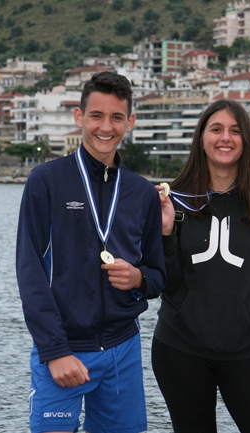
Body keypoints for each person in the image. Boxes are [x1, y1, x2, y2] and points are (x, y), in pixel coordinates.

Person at [16, 71, 166, 433]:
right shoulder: (46, 181)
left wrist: (138, 278)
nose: (106, 127)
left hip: (122, 350)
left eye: (117, 117)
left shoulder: (141, 193)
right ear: (79, 117)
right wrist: (55, 351)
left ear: (130, 122)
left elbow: (158, 275)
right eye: (96, 115)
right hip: (63, 349)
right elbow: (30, 271)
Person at [152, 99, 250, 433]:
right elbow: (164, 284)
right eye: (216, 129)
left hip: (247, 349)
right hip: (180, 349)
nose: (225, 138)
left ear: (246, 141)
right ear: (202, 137)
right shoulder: (173, 200)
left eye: (234, 131)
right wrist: (166, 233)